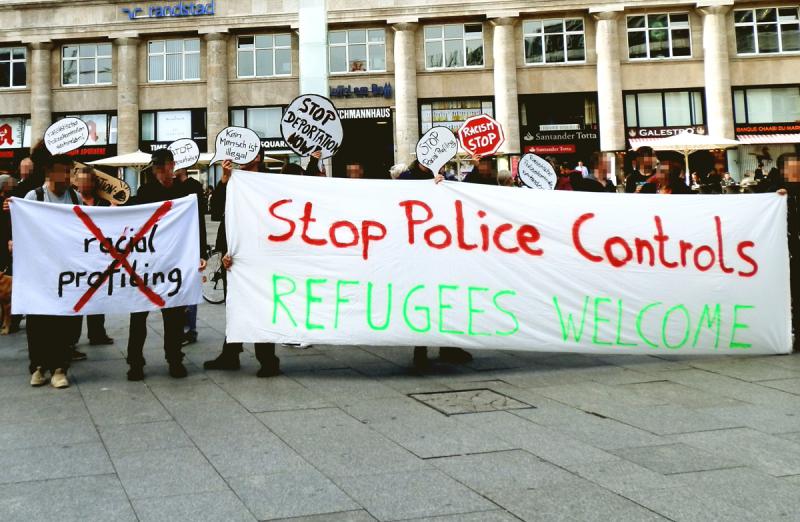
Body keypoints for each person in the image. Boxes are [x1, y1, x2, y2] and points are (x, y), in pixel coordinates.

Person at [125, 149, 207, 381]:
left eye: (163, 167)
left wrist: (200, 252)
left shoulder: (186, 191)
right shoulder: (146, 190)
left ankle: (174, 359)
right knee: (139, 315)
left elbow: (196, 221)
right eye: (156, 168)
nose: (159, 172)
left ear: (172, 166)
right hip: (147, 262)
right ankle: (135, 363)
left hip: (173, 262)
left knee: (173, 316)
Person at [203, 151, 281, 377]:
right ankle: (231, 353)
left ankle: (267, 359)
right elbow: (216, 210)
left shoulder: (268, 181)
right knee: (234, 305)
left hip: (259, 253)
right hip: (232, 254)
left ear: (258, 157)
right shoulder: (234, 179)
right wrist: (225, 179)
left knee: (260, 305)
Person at [19, 153, 82, 389]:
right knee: (38, 320)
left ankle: (59, 367)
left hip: (67, 270)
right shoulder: (33, 197)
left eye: (69, 171)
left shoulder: (75, 197)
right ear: (49, 172)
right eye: (62, 171)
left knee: (65, 321)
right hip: (39, 271)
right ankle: (37, 367)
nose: (66, 176)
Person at [67, 167, 114, 356]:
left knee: (97, 297)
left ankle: (97, 333)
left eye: (88, 181)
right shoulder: (70, 201)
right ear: (76, 183)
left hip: (97, 256)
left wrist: (113, 212)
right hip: (77, 256)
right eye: (81, 181)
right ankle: (71, 339)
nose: (84, 185)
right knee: (77, 296)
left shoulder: (103, 203)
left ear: (94, 184)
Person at [176, 167, 207, 346]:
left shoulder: (194, 186)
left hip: (191, 243)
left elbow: (200, 217)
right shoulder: (170, 186)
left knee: (189, 286)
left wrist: (201, 251)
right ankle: (181, 328)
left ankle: (189, 329)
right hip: (176, 245)